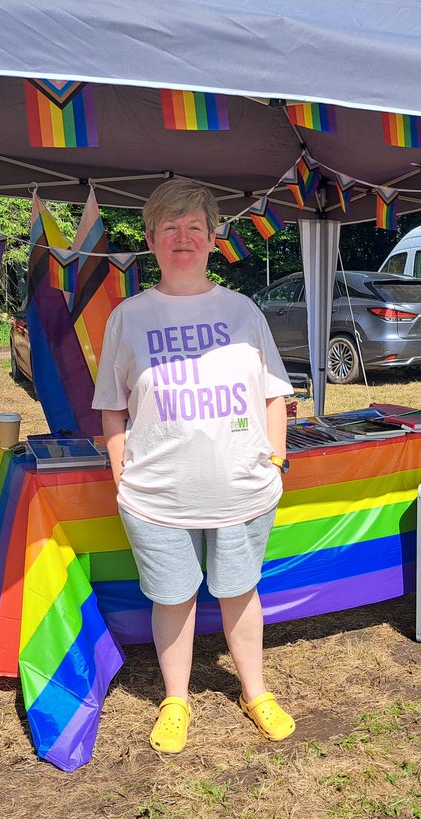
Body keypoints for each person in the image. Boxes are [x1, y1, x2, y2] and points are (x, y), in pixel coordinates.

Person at [92, 178, 296, 753]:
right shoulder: (128, 317)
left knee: (239, 593)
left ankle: (255, 691)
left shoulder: (241, 310)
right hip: (156, 498)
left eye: (195, 228)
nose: (183, 237)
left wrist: (276, 462)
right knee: (172, 599)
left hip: (242, 490)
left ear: (212, 240)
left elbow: (273, 395)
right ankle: (175, 700)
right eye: (169, 228)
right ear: (152, 242)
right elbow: (111, 407)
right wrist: (121, 477)